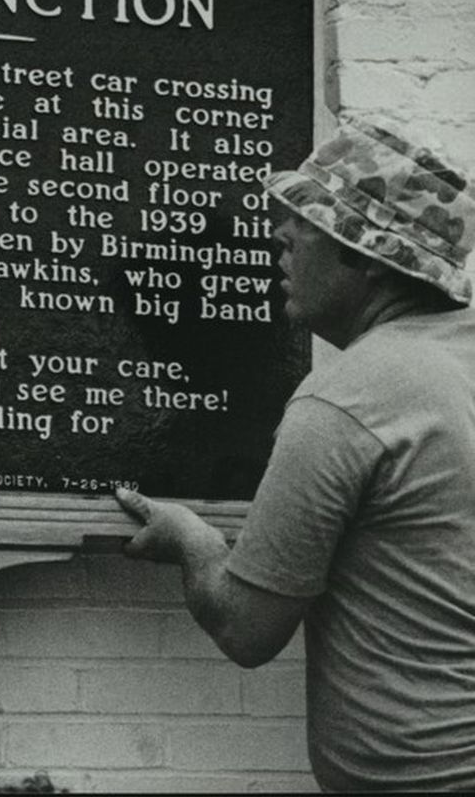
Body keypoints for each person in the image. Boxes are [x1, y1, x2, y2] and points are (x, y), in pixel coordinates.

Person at [117, 118, 475, 793]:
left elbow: (246, 629)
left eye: (306, 220)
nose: (279, 235)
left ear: (365, 254)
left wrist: (192, 539)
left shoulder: (346, 401)